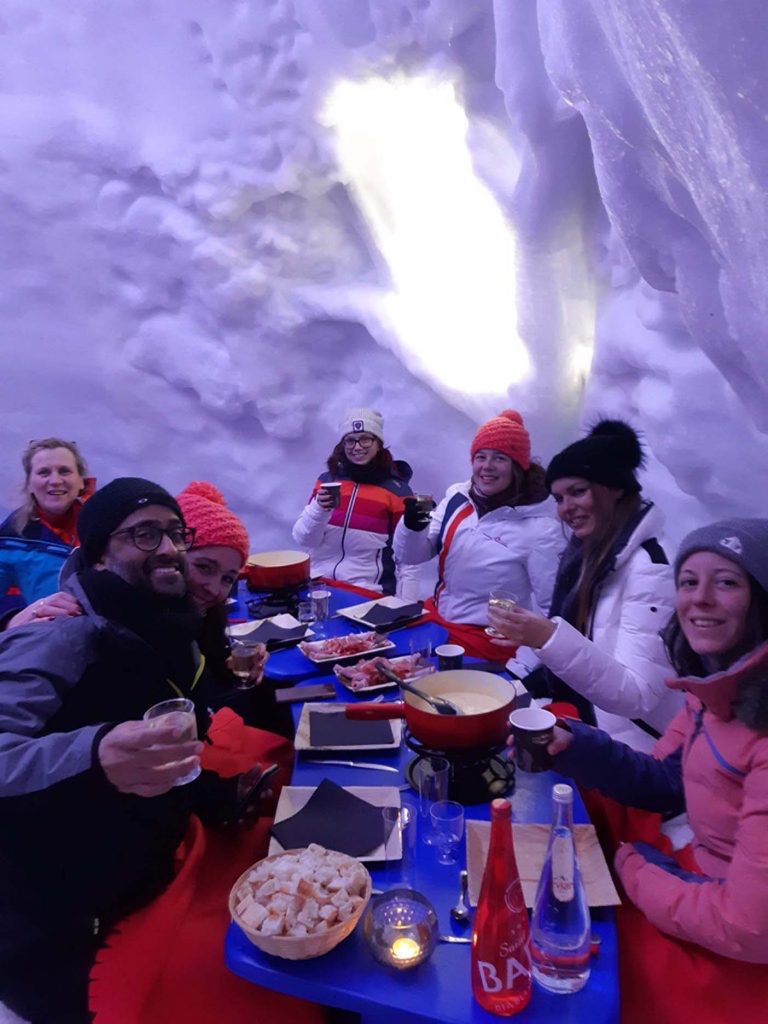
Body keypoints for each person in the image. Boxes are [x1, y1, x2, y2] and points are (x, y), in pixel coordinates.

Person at [0, 477, 274, 1023]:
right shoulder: (62, 633)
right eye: (145, 534)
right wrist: (94, 751)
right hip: (64, 928)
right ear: (100, 553)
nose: (170, 547)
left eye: (175, 533)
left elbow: (152, 745)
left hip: (141, 861)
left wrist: (215, 795)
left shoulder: (161, 625)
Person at [543, 518, 768, 1023]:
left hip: (735, 939)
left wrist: (635, 871)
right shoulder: (720, 688)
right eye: (689, 582)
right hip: (700, 877)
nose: (700, 598)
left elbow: (751, 926)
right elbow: (667, 780)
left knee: (573, 965)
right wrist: (571, 743)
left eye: (727, 582)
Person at [487, 419, 681, 749]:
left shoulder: (650, 569)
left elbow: (637, 695)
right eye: (559, 498)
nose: (566, 509)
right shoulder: (592, 555)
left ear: (615, 488)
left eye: (578, 492)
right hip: (594, 726)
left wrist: (546, 636)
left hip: (636, 753)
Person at [393, 409, 563, 660]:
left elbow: (555, 609)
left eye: (500, 458)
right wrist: (412, 527)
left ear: (518, 466)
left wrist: (529, 667)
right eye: (480, 456)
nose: (487, 466)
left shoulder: (540, 528)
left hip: (489, 641)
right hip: (436, 622)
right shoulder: (457, 498)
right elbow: (411, 556)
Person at [176, 481, 293, 738]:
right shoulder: (126, 630)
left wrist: (237, 676)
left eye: (228, 578)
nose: (214, 588)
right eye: (204, 567)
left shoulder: (202, 626)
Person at [292, 407, 419, 596]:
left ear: (378, 443)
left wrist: (407, 606)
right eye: (350, 440)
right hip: (318, 587)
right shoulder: (327, 481)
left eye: (365, 438)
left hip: (367, 593)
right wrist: (319, 509)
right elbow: (305, 539)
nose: (357, 447)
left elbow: (408, 558)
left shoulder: (397, 492)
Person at [0, 437, 93, 626]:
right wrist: (11, 622)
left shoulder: (107, 526)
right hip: (50, 643)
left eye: (64, 471)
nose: (55, 480)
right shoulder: (12, 538)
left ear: (82, 481)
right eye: (44, 473)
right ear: (29, 484)